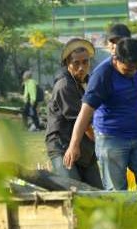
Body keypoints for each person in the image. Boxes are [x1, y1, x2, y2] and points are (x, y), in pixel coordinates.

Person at [63, 38, 137, 191]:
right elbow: (85, 112)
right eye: (128, 69)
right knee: (116, 191)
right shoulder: (102, 75)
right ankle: (121, 216)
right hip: (111, 139)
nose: (133, 72)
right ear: (116, 59)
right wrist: (74, 145)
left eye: (136, 67)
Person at [45, 38, 103, 189]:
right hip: (63, 147)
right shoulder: (64, 85)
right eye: (76, 63)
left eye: (85, 62)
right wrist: (104, 144)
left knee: (99, 194)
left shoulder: (90, 82)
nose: (81, 67)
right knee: (75, 193)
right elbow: (85, 123)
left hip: (86, 150)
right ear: (67, 64)